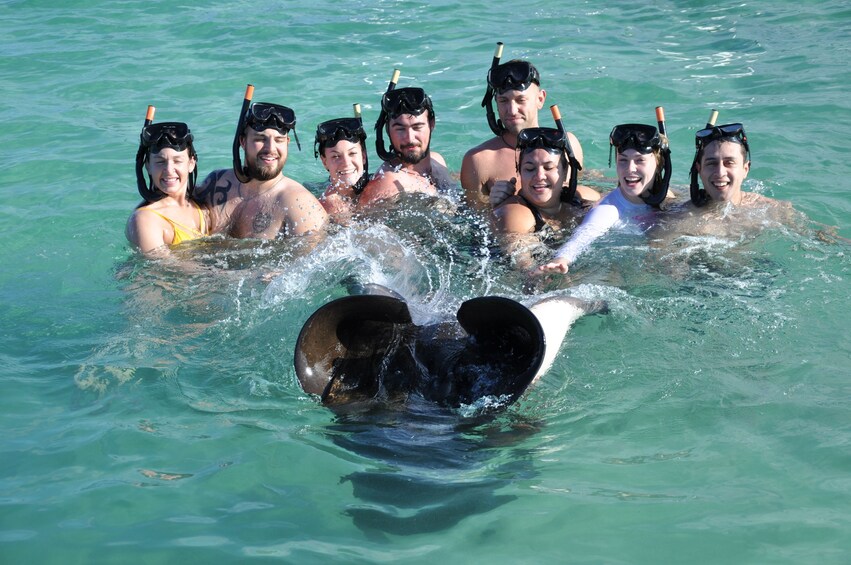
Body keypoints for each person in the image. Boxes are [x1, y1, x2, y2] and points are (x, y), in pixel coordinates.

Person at [460, 55, 599, 209]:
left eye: (521, 100)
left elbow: (581, 188)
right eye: (503, 101)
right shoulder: (479, 160)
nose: (512, 110)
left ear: (540, 99)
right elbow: (471, 216)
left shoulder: (568, 144)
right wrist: (493, 205)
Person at [539, 122, 672, 274]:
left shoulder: (666, 197)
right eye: (623, 160)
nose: (630, 169)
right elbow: (583, 237)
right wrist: (561, 260)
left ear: (659, 163)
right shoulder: (608, 210)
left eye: (639, 160)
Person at [195, 92, 327, 239]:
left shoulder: (300, 205)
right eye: (260, 139)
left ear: (287, 143)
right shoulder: (216, 182)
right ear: (242, 142)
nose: (270, 148)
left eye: (279, 140)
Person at [357, 85, 453, 209]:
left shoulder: (437, 160)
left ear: (432, 124)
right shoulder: (386, 183)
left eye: (417, 127)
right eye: (400, 129)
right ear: (387, 130)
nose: (410, 138)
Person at [126, 120, 208, 256]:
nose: (169, 170)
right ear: (148, 166)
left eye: (177, 161)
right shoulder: (145, 219)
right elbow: (166, 266)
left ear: (191, 163)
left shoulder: (201, 203)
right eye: (160, 162)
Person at [492, 121, 584, 235]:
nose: (539, 176)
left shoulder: (579, 197)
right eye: (530, 169)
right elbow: (516, 246)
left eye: (548, 168)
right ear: (519, 171)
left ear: (565, 172)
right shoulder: (515, 213)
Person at [314, 114, 369, 222]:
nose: (346, 163)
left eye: (352, 153)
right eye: (335, 156)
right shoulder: (331, 204)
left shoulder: (375, 185)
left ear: (363, 156)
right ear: (324, 162)